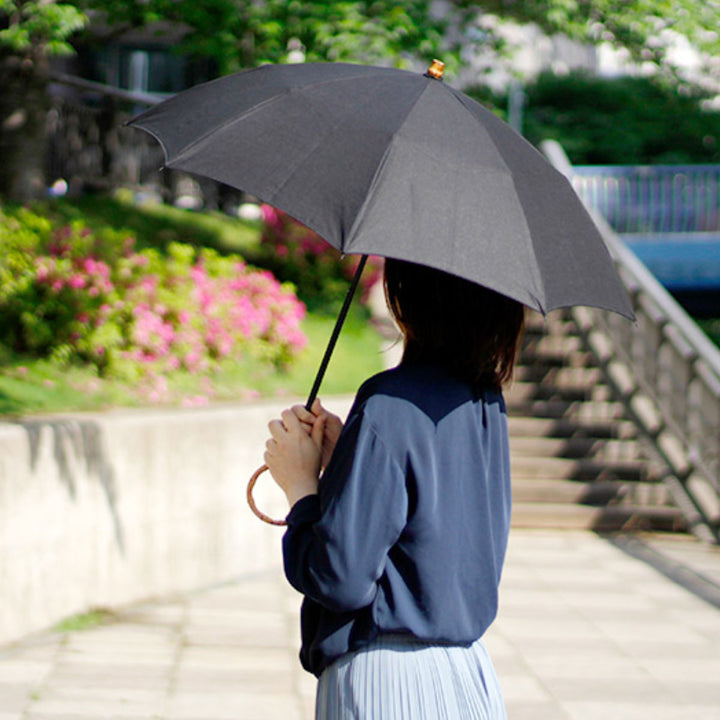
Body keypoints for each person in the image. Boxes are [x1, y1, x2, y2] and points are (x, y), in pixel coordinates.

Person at [263, 257, 525, 720]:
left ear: (411, 297)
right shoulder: (485, 401)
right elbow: (430, 517)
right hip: (468, 675)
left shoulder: (390, 403)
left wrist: (302, 490)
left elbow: (339, 577)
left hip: (388, 681)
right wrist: (350, 458)